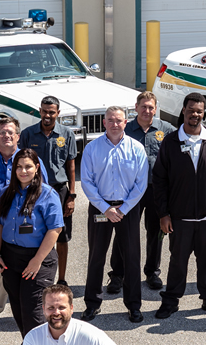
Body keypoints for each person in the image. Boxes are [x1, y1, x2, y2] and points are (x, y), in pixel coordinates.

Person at [152, 92, 206, 319]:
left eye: (199, 111)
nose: (195, 115)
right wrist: (164, 213)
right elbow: (159, 179)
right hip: (181, 217)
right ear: (183, 111)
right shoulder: (171, 142)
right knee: (178, 262)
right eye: (191, 110)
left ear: (204, 113)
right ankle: (171, 301)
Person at [0, 147, 65, 345]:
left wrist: (37, 260)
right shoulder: (7, 193)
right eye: (19, 167)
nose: (23, 171)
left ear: (37, 168)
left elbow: (55, 229)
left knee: (33, 311)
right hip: (10, 258)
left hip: (38, 259)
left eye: (28, 167)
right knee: (18, 308)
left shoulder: (48, 194)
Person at [0, 118, 45, 332]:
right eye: (2, 132)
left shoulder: (31, 161)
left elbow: (43, 193)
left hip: (25, 231)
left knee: (25, 271)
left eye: (10, 132)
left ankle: (27, 312)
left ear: (18, 136)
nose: (6, 136)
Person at [80, 107, 149, 323]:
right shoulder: (92, 148)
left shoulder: (136, 148)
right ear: (104, 123)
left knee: (132, 258)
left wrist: (123, 209)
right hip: (101, 209)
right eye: (110, 120)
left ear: (125, 122)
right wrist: (105, 208)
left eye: (119, 120)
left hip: (127, 208)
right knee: (96, 257)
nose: (115, 124)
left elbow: (141, 183)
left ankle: (134, 306)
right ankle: (92, 304)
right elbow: (87, 182)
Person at [109, 92, 176, 292]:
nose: (147, 110)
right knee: (124, 232)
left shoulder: (167, 130)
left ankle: (152, 272)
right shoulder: (126, 129)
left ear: (156, 109)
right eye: (143, 106)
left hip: (157, 190)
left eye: (151, 107)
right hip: (130, 191)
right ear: (136, 107)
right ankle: (117, 274)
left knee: (156, 233)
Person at [20, 96, 78, 285]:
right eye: (44, 111)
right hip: (34, 191)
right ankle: (37, 276)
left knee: (61, 237)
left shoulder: (67, 134)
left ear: (58, 113)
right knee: (34, 234)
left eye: (52, 112)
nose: (47, 115)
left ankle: (61, 279)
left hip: (59, 192)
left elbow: (71, 166)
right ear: (40, 111)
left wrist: (71, 195)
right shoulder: (28, 134)